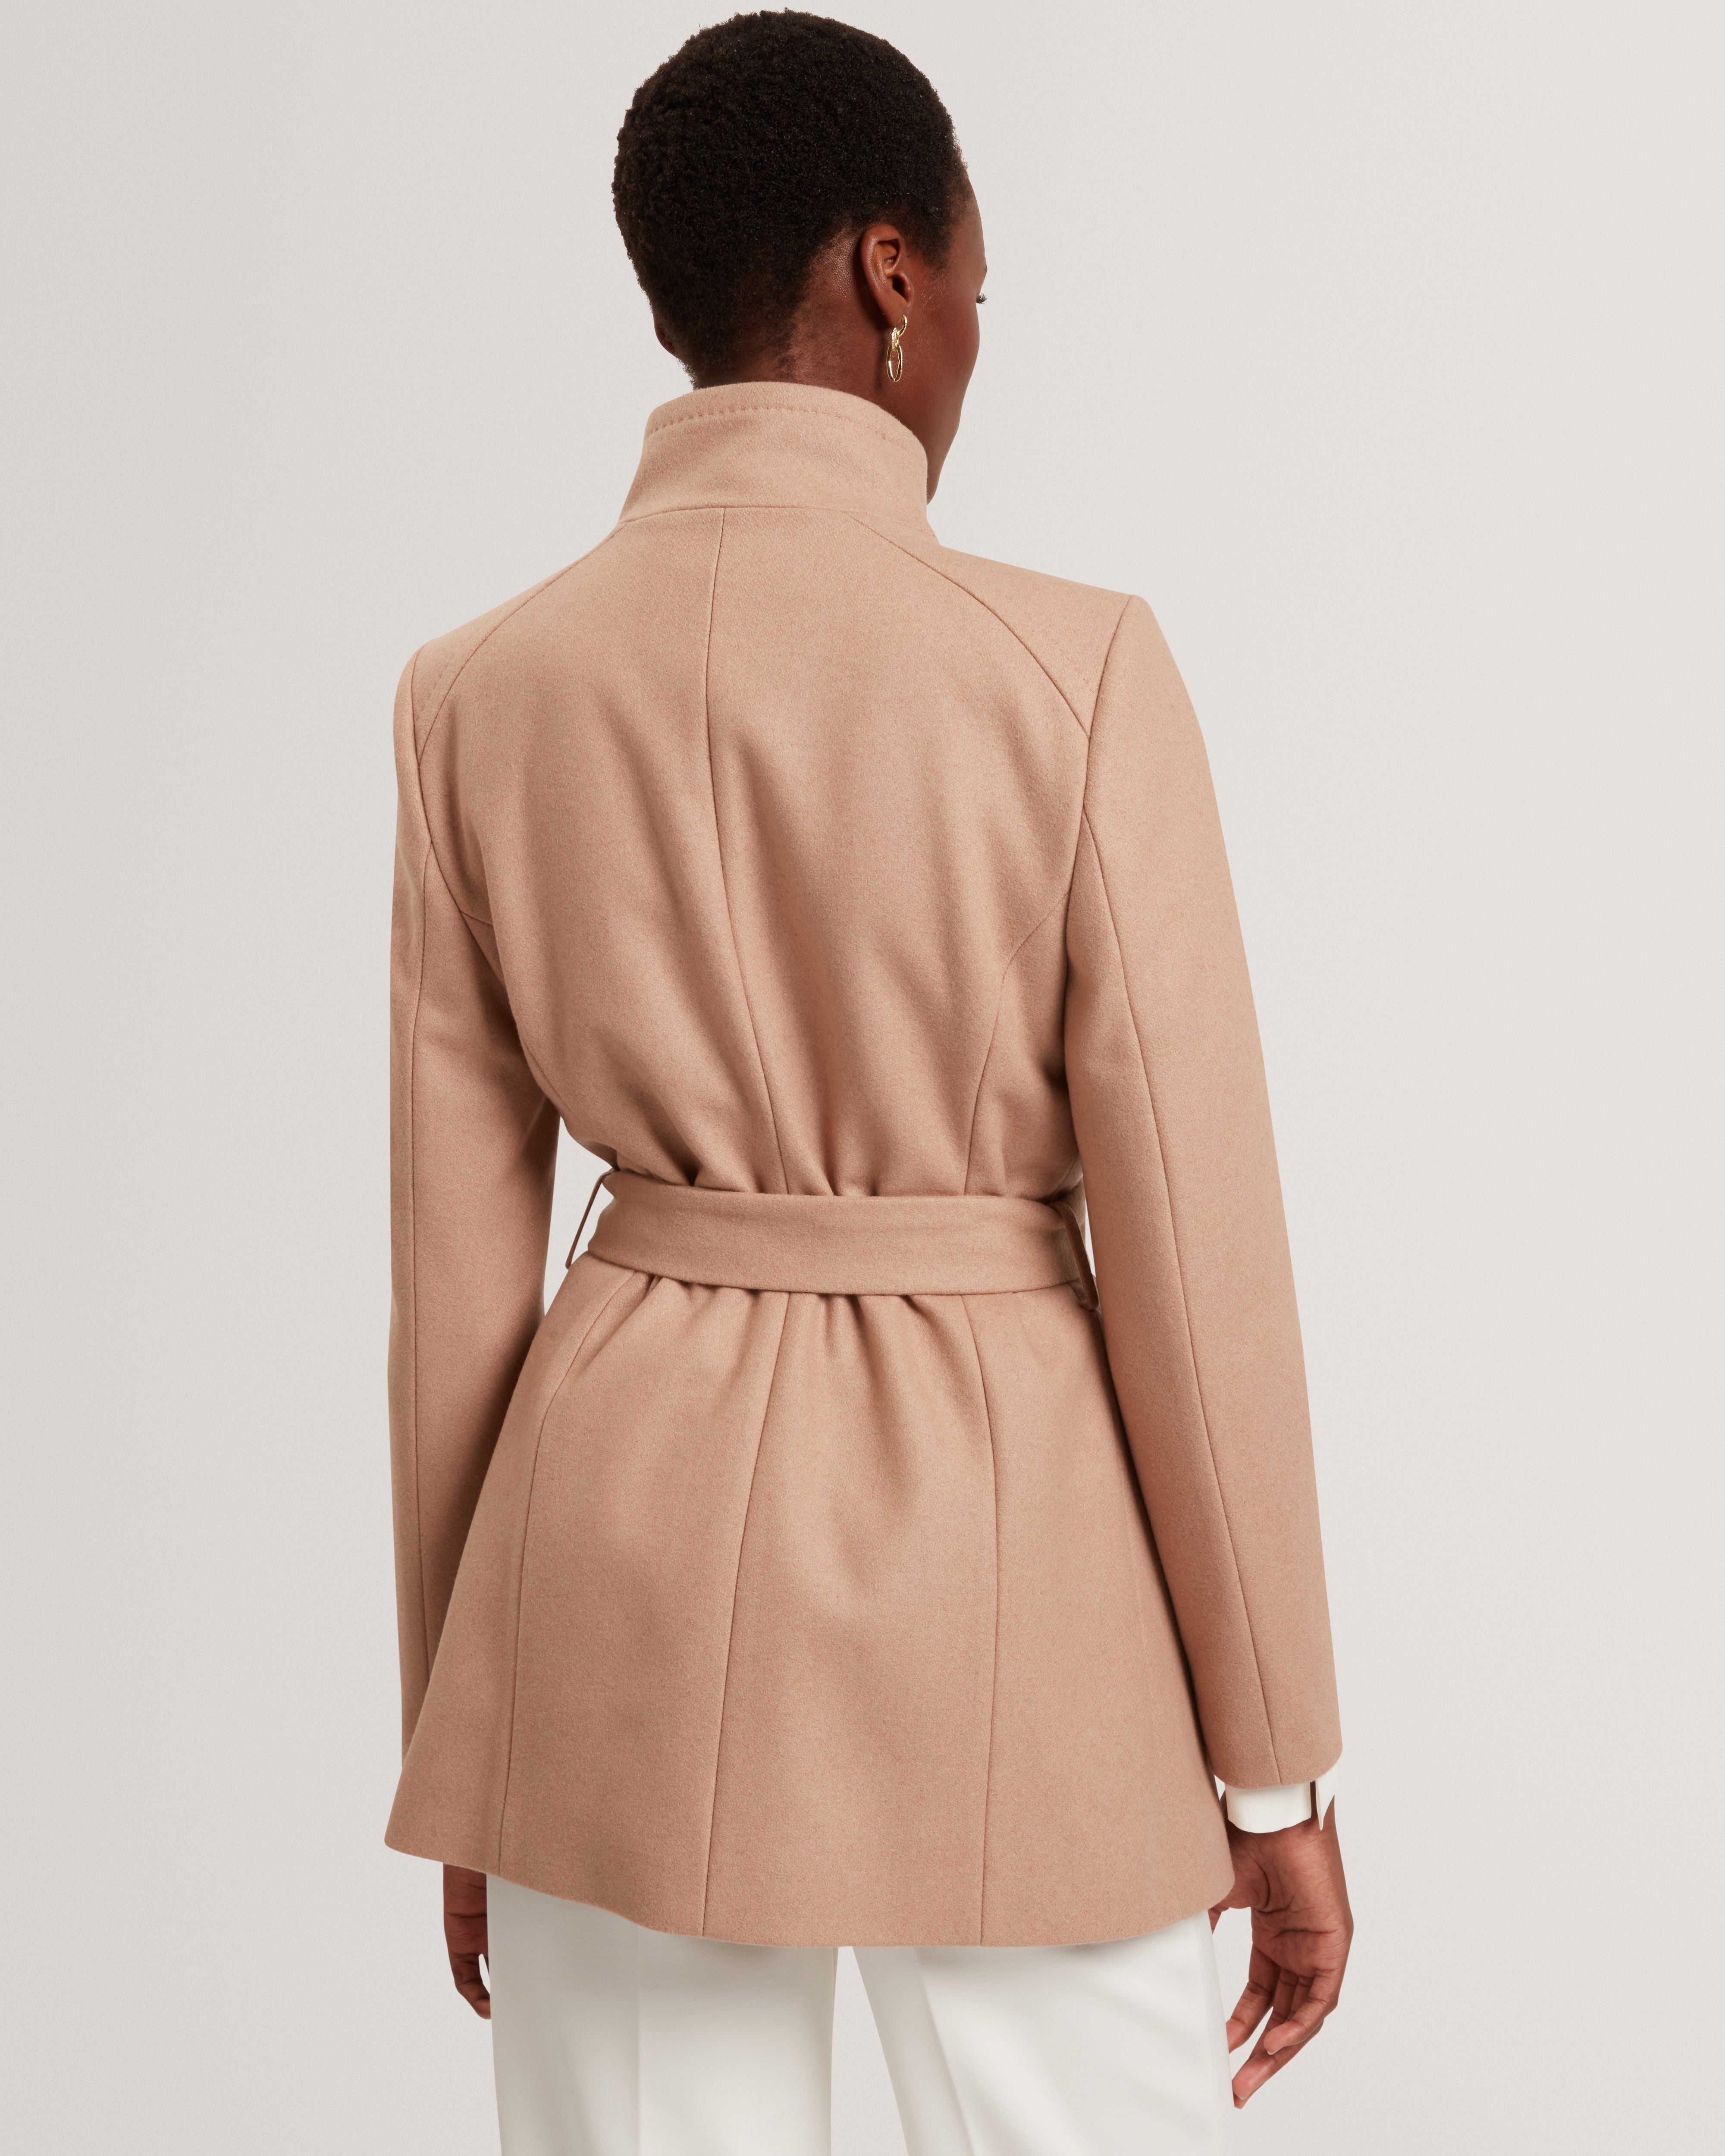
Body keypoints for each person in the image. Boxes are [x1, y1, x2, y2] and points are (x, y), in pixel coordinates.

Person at [385, 14, 1350, 2152]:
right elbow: (1195, 1256)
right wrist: (1274, 1764)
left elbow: (450, 1294)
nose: (979, 337)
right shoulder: (1076, 671)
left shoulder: (476, 694)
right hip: (1013, 1571)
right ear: (893, 274)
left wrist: (472, 1737)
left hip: (605, 1594)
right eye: (979, 285)